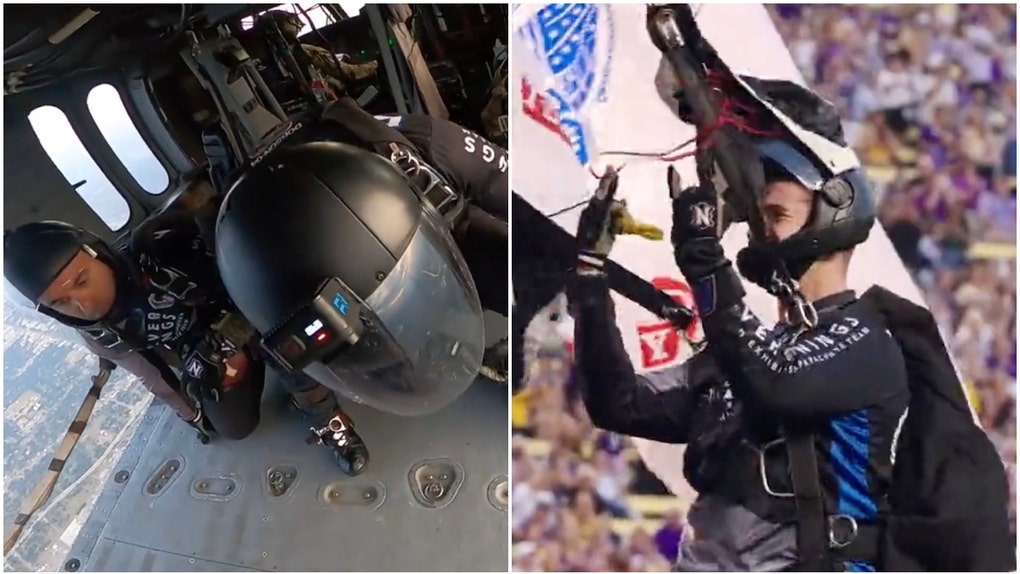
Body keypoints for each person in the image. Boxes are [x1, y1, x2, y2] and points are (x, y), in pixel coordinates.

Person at [567, 130, 910, 570]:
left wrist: (704, 260)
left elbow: (773, 381)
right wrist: (592, 278)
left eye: (776, 214)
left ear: (833, 218)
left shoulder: (866, 340)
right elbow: (619, 404)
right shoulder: (752, 353)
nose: (761, 232)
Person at [3, 207, 370, 475]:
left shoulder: (162, 252)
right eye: (60, 304)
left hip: (255, 313)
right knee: (234, 427)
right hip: (207, 355)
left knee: (289, 341)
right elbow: (153, 376)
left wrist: (237, 336)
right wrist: (195, 415)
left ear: (96, 253)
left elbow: (252, 271)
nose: (82, 305)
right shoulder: (101, 335)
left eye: (81, 281)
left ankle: (328, 419)